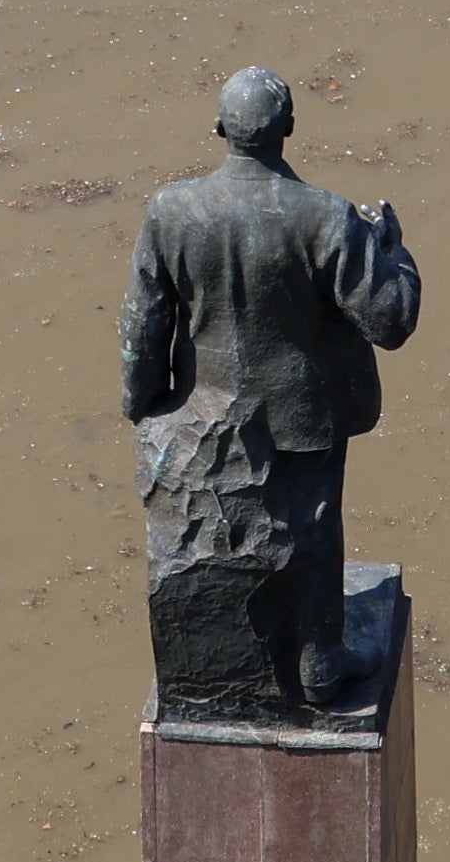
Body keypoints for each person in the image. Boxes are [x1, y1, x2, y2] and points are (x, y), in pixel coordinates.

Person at [122, 65, 420, 720]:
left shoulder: (171, 211)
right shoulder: (327, 217)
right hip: (302, 411)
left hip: (205, 410)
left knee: (223, 537)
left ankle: (219, 662)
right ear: (288, 128)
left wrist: (142, 400)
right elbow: (390, 320)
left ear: (220, 129)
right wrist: (395, 254)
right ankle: (318, 660)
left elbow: (145, 317)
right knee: (310, 528)